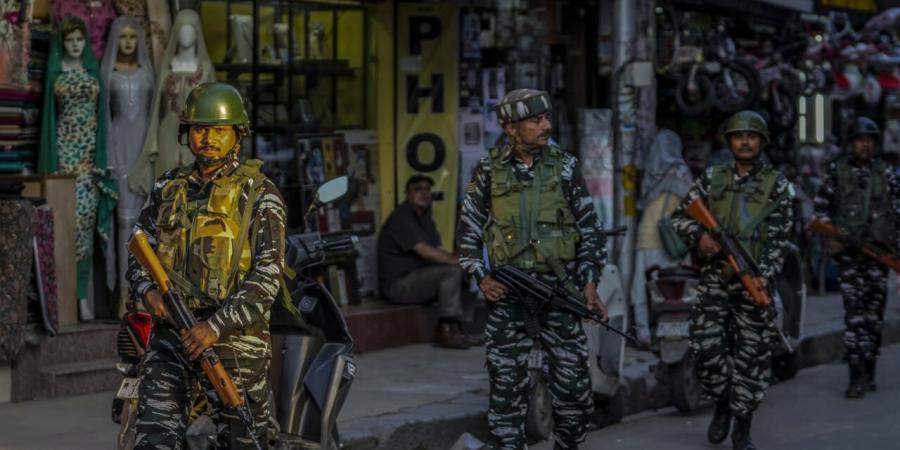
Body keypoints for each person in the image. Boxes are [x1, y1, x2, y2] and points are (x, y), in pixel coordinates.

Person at [126, 82, 285, 449]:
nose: (207, 138)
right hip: (172, 336)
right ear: (187, 134)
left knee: (245, 439)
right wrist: (149, 293)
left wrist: (214, 327)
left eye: (218, 130)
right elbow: (137, 253)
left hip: (234, 340)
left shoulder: (259, 195)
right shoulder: (167, 188)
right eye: (199, 129)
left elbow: (267, 277)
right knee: (153, 439)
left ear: (237, 135)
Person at [458, 88, 608, 450]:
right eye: (536, 120)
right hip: (509, 295)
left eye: (547, 119)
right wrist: (482, 276)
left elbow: (590, 231)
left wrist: (589, 283)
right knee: (506, 395)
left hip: (559, 292)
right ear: (510, 127)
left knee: (574, 394)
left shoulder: (566, 167)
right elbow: (468, 231)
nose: (546, 126)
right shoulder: (489, 170)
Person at [670, 110, 793, 450]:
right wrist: (700, 238)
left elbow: (779, 238)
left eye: (751, 136)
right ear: (730, 141)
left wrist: (763, 275)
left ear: (761, 141)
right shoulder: (712, 178)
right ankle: (721, 402)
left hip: (754, 283)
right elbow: (680, 217)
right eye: (738, 136)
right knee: (705, 351)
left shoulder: (777, 184)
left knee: (751, 358)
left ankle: (742, 427)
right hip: (714, 280)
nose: (744, 141)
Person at [813, 116, 900, 398]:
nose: (865, 146)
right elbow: (821, 210)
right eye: (860, 140)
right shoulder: (837, 172)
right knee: (854, 318)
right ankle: (856, 376)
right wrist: (831, 238)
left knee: (874, 318)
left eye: (869, 141)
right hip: (850, 257)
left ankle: (870, 368)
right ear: (851, 143)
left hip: (879, 257)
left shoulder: (886, 173)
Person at [377, 174, 472, 349]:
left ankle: (461, 330)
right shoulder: (401, 217)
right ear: (407, 193)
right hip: (398, 286)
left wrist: (463, 258)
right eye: (417, 189)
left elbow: (438, 250)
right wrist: (457, 262)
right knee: (453, 271)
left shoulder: (425, 217)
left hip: (418, 279)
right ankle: (445, 330)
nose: (424, 193)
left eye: (427, 189)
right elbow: (426, 251)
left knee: (466, 271)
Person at [630, 129, 694, 347]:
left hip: (647, 234)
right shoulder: (682, 171)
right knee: (681, 286)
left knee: (643, 286)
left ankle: (644, 332)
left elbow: (641, 202)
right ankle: (681, 328)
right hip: (675, 237)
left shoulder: (650, 172)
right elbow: (693, 203)